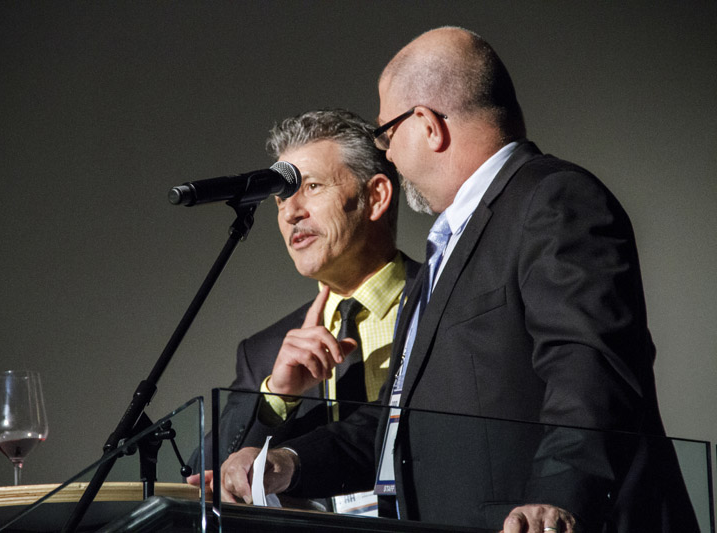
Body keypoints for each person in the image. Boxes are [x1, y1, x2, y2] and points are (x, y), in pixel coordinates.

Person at [219, 28, 699, 533]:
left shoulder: (552, 199)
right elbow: (398, 424)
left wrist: (556, 498)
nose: (389, 155)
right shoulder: (447, 249)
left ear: (428, 126)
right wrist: (290, 462)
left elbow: (590, 368)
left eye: (387, 134)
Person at [189, 109, 420, 512]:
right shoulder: (264, 352)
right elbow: (202, 475)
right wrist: (276, 400)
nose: (290, 212)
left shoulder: (447, 302)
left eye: (312, 187)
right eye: (281, 197)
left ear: (376, 196)